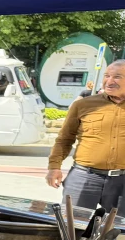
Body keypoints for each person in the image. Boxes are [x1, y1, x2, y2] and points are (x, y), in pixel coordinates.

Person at [47, 60, 125, 215]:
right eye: (107, 76)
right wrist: (54, 167)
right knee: (72, 228)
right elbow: (64, 138)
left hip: (122, 181)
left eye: (117, 77)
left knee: (116, 233)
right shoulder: (83, 105)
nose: (109, 81)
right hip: (84, 177)